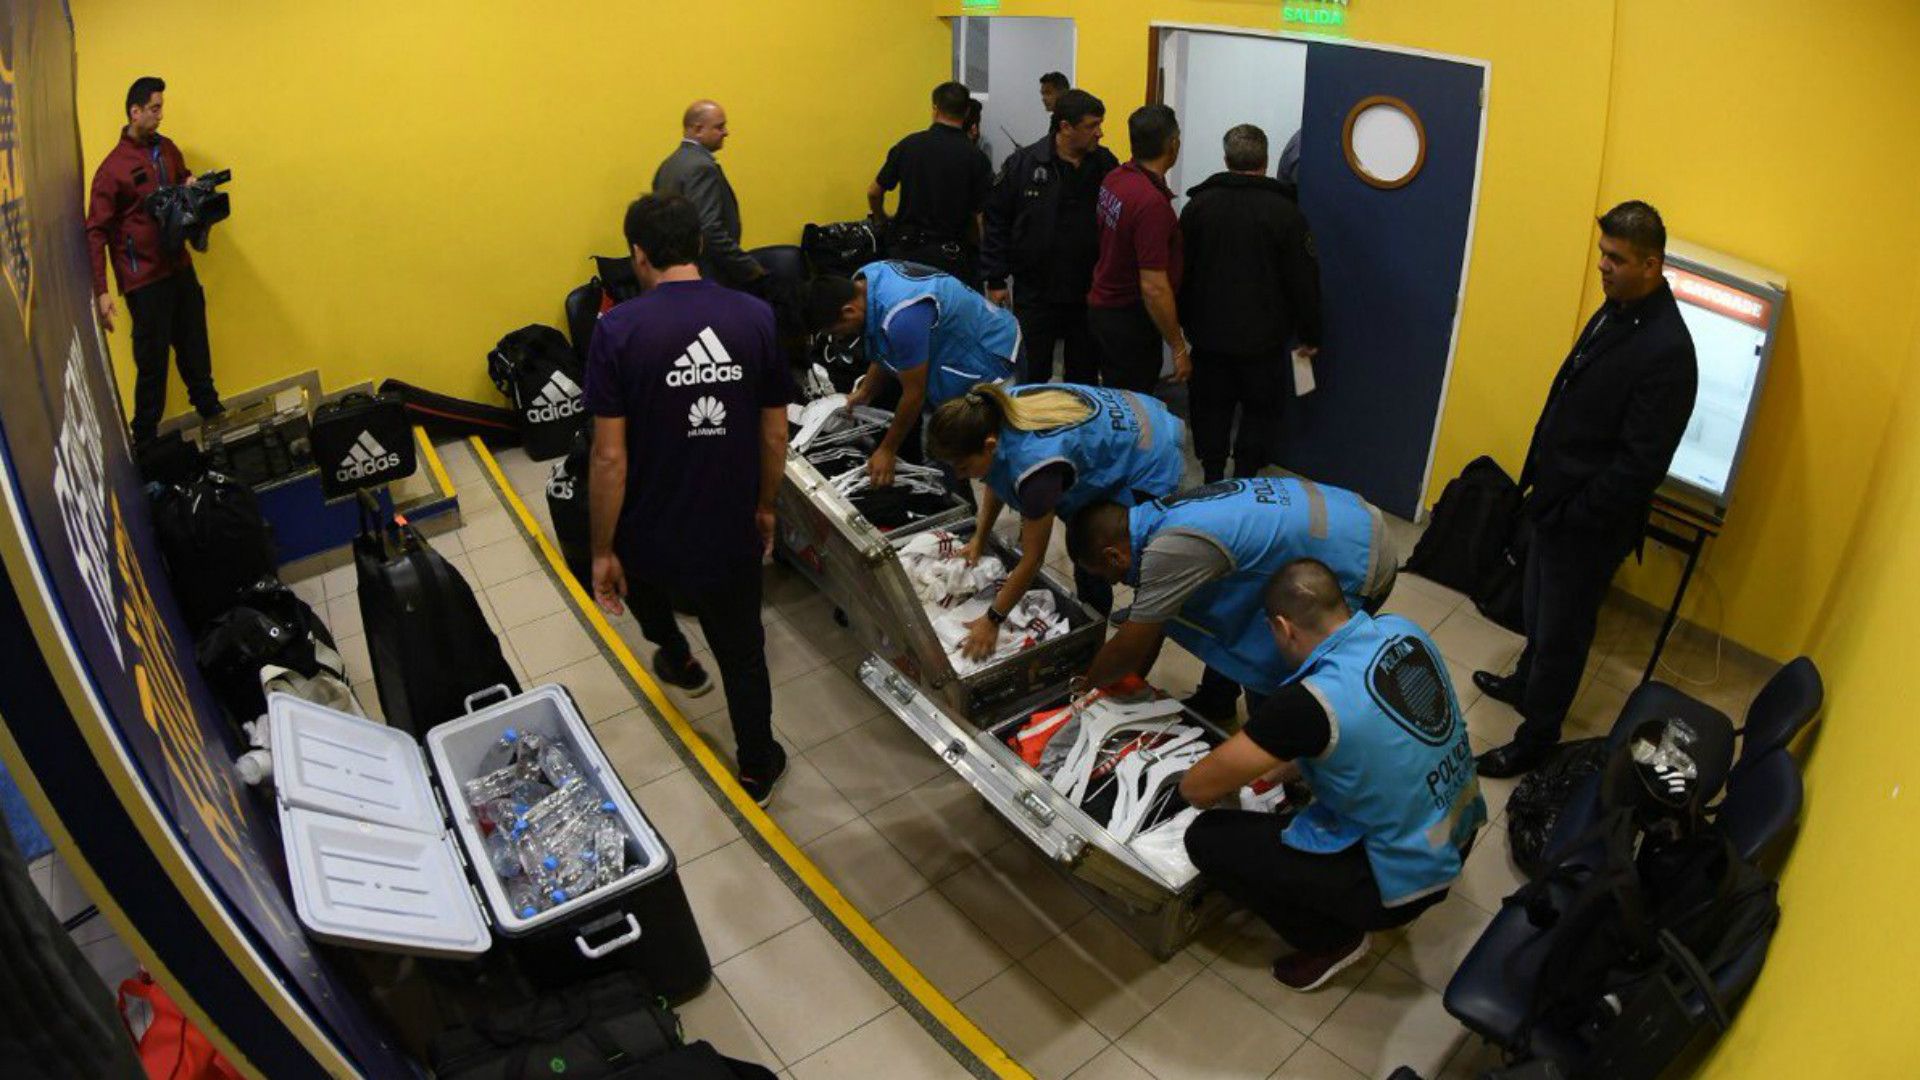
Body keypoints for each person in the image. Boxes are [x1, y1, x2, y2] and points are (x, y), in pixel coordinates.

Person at [1180, 559, 1486, 991]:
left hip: (1402, 881)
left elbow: (1196, 788)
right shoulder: (1403, 630)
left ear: (1284, 627)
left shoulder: (1308, 703)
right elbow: (1380, 732)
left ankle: (1332, 940)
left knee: (1207, 838)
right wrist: (1288, 767)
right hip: (1458, 831)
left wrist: (1237, 771)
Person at [1474, 201, 1698, 780]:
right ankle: (1524, 684)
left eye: (1616, 258)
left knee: (1563, 636)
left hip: (1587, 525)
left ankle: (1536, 738)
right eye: (1603, 253)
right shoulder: (1618, 309)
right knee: (1536, 612)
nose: (1603, 265)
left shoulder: (1669, 351)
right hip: (1555, 502)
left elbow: (1639, 466)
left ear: (1651, 265)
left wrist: (1574, 513)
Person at [585, 194, 791, 805]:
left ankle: (677, 657)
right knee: (742, 651)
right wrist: (766, 506)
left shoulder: (616, 330)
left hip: (649, 529)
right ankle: (756, 765)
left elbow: (609, 458)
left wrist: (602, 550)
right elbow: (775, 434)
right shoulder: (754, 316)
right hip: (728, 526)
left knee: (642, 587)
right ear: (700, 245)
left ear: (637, 254)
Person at [1067, 476, 1397, 719]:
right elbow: (1153, 627)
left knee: (1286, 681)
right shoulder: (1155, 517)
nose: (1112, 583)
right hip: (1344, 512)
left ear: (1113, 556)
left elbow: (1129, 648)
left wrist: (1085, 692)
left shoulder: (1169, 549)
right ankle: (1222, 707)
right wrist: (1128, 685)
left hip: (1360, 557)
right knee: (1252, 644)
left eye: (1104, 575)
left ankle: (1288, 773)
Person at [926, 381, 1185, 640]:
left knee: (1103, 552)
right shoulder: (992, 411)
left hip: (1148, 454)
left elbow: (1032, 560)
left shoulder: (1035, 468)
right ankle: (1101, 620)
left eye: (963, 466)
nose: (960, 476)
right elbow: (996, 477)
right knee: (1089, 546)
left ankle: (1121, 624)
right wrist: (979, 538)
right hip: (1130, 418)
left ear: (989, 445)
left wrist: (992, 620)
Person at [1179, 123, 1323, 483]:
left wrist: (1182, 325)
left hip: (1208, 337)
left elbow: (1181, 272)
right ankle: (1244, 475)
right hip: (1264, 342)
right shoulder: (1287, 213)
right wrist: (1310, 333)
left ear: (1226, 159)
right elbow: (1303, 282)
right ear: (1266, 160)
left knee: (1210, 408)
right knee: (1260, 410)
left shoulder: (1197, 207)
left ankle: (1212, 474)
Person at [86, 76, 223, 445]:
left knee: (195, 348)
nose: (161, 115)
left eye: (161, 107)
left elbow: (182, 178)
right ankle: (144, 442)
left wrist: (193, 185)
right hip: (144, 282)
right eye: (154, 108)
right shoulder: (112, 169)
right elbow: (95, 230)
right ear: (135, 111)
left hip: (179, 268)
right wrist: (101, 291)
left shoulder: (168, 148)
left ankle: (215, 418)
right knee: (152, 364)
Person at [800, 260, 1020, 487]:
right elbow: (884, 344)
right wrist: (865, 392)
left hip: (992, 357)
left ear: (849, 311)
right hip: (956, 348)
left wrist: (887, 450)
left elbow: (914, 394)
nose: (838, 338)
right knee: (944, 450)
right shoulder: (867, 280)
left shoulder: (902, 316)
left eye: (836, 331)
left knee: (992, 458)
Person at [981, 89, 1119, 386]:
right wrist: (995, 279)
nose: (1100, 133)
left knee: (1083, 376)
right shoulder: (1024, 164)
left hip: (1087, 291)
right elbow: (997, 221)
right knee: (1032, 373)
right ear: (1065, 127)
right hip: (1036, 292)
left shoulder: (1105, 165)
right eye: (1092, 126)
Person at [1086, 105, 1191, 393]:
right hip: (1128, 320)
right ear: (1173, 145)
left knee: (1115, 392)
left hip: (1105, 307)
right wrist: (1178, 347)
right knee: (1133, 403)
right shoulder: (1151, 204)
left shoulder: (1116, 178)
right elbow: (1154, 286)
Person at [869, 82, 993, 281]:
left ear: (935, 109)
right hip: (953, 260)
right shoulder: (976, 158)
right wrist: (989, 268)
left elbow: (874, 193)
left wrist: (881, 219)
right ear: (967, 111)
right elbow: (982, 218)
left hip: (907, 255)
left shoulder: (908, 146)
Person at [652, 99, 766, 292]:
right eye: (719, 127)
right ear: (698, 130)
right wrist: (751, 269)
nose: (726, 132)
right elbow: (709, 230)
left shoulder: (668, 165)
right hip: (708, 276)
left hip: (675, 277)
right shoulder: (702, 167)